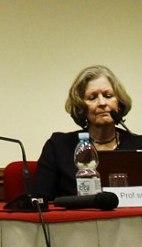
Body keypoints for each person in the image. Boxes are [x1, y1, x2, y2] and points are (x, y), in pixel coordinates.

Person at [34, 65, 141, 200]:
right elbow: (40, 200)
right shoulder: (59, 147)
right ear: (81, 107)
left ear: (119, 103)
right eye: (92, 98)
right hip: (75, 220)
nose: (102, 103)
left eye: (108, 96)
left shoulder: (138, 146)